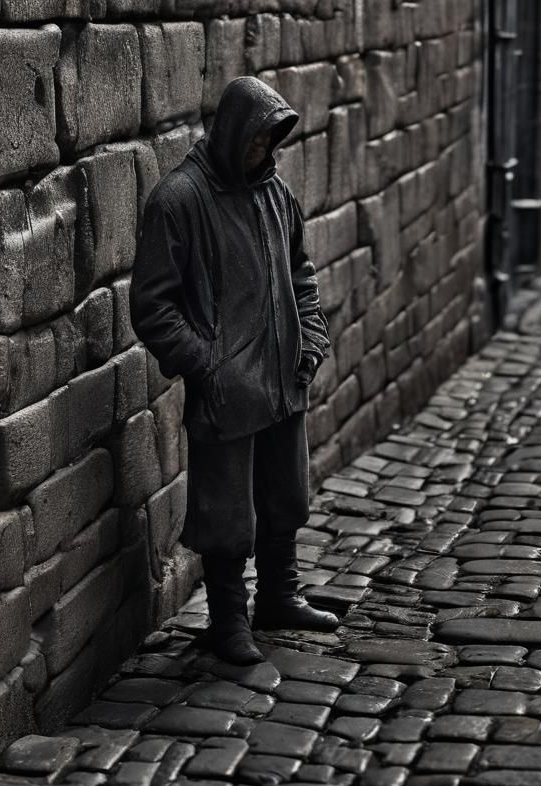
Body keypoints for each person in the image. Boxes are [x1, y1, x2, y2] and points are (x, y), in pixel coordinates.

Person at [130, 77, 339, 666]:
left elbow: (300, 272)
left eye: (272, 141)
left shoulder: (274, 191)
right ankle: (228, 619)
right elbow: (152, 306)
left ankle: (280, 595)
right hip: (226, 391)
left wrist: (311, 340)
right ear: (231, 132)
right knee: (225, 514)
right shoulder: (180, 200)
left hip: (282, 379)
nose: (263, 151)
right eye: (255, 140)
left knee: (284, 498)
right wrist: (208, 365)